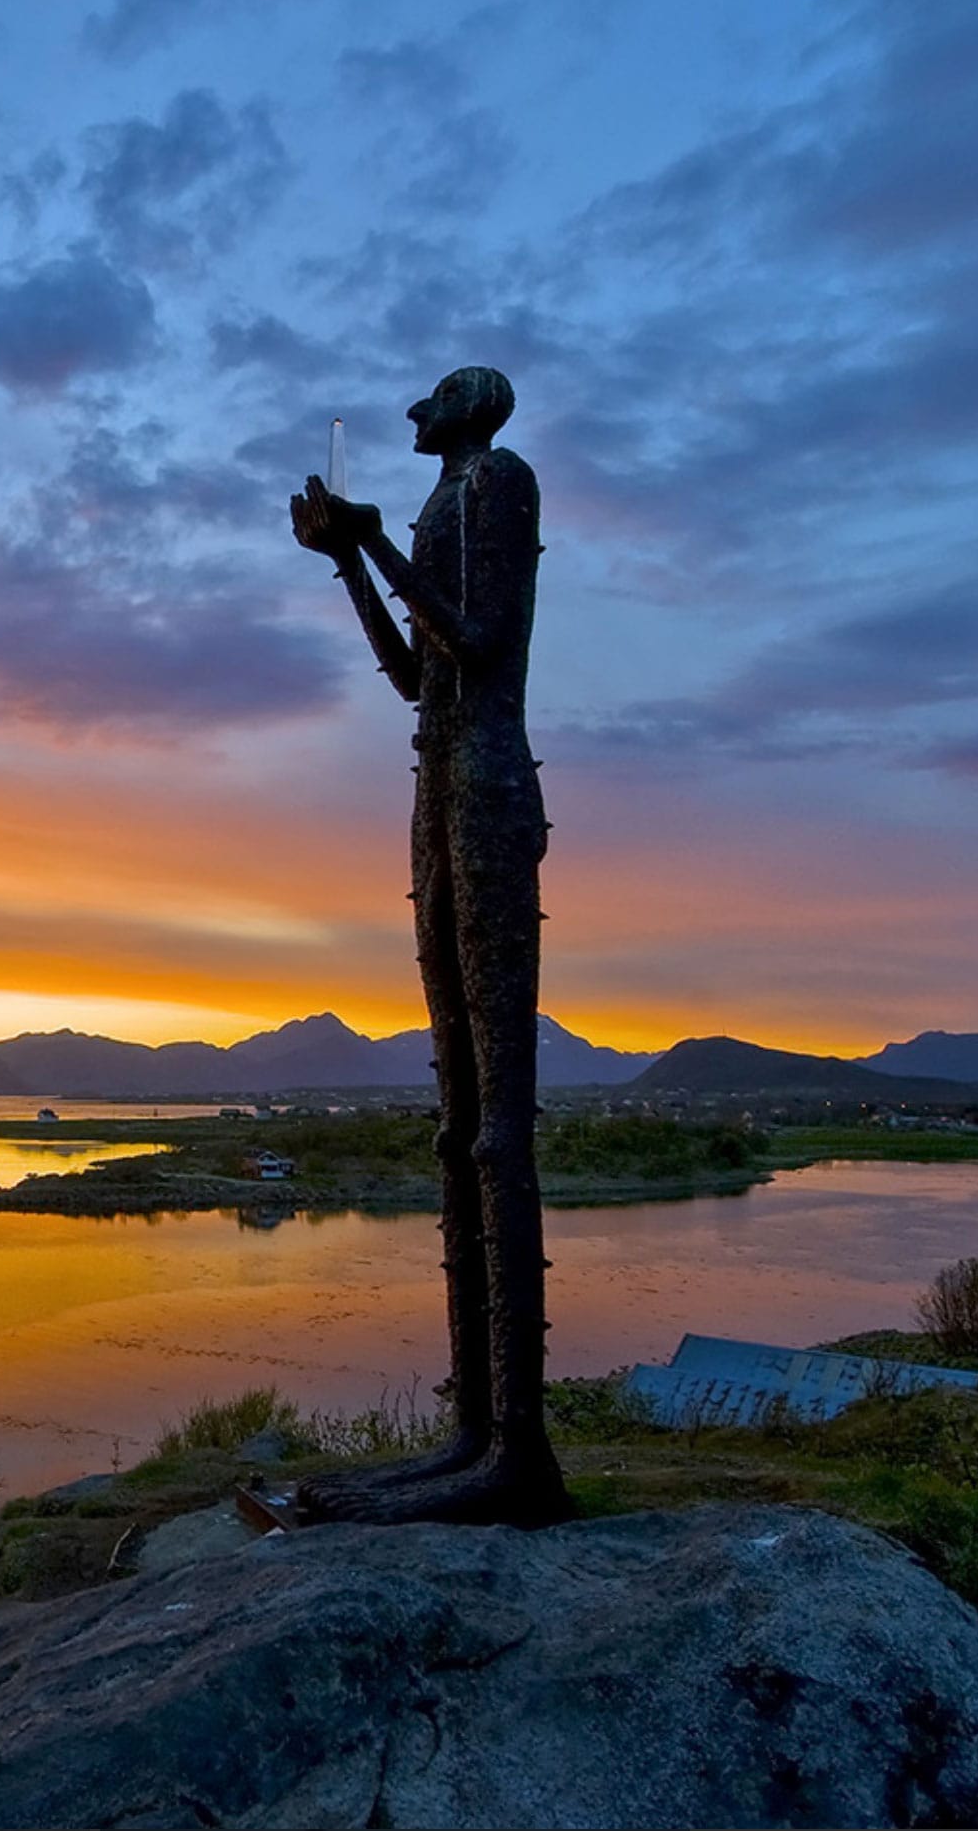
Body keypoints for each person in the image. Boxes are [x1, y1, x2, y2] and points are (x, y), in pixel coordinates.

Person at [287, 365, 571, 1528]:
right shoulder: (439, 506)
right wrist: (352, 560)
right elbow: (417, 677)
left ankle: (517, 1450)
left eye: (430, 401)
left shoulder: (499, 482)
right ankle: (470, 1430)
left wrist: (376, 546)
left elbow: (480, 640)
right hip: (437, 794)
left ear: (476, 408)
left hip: (492, 794)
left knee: (499, 1124)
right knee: (456, 1117)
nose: (408, 416)